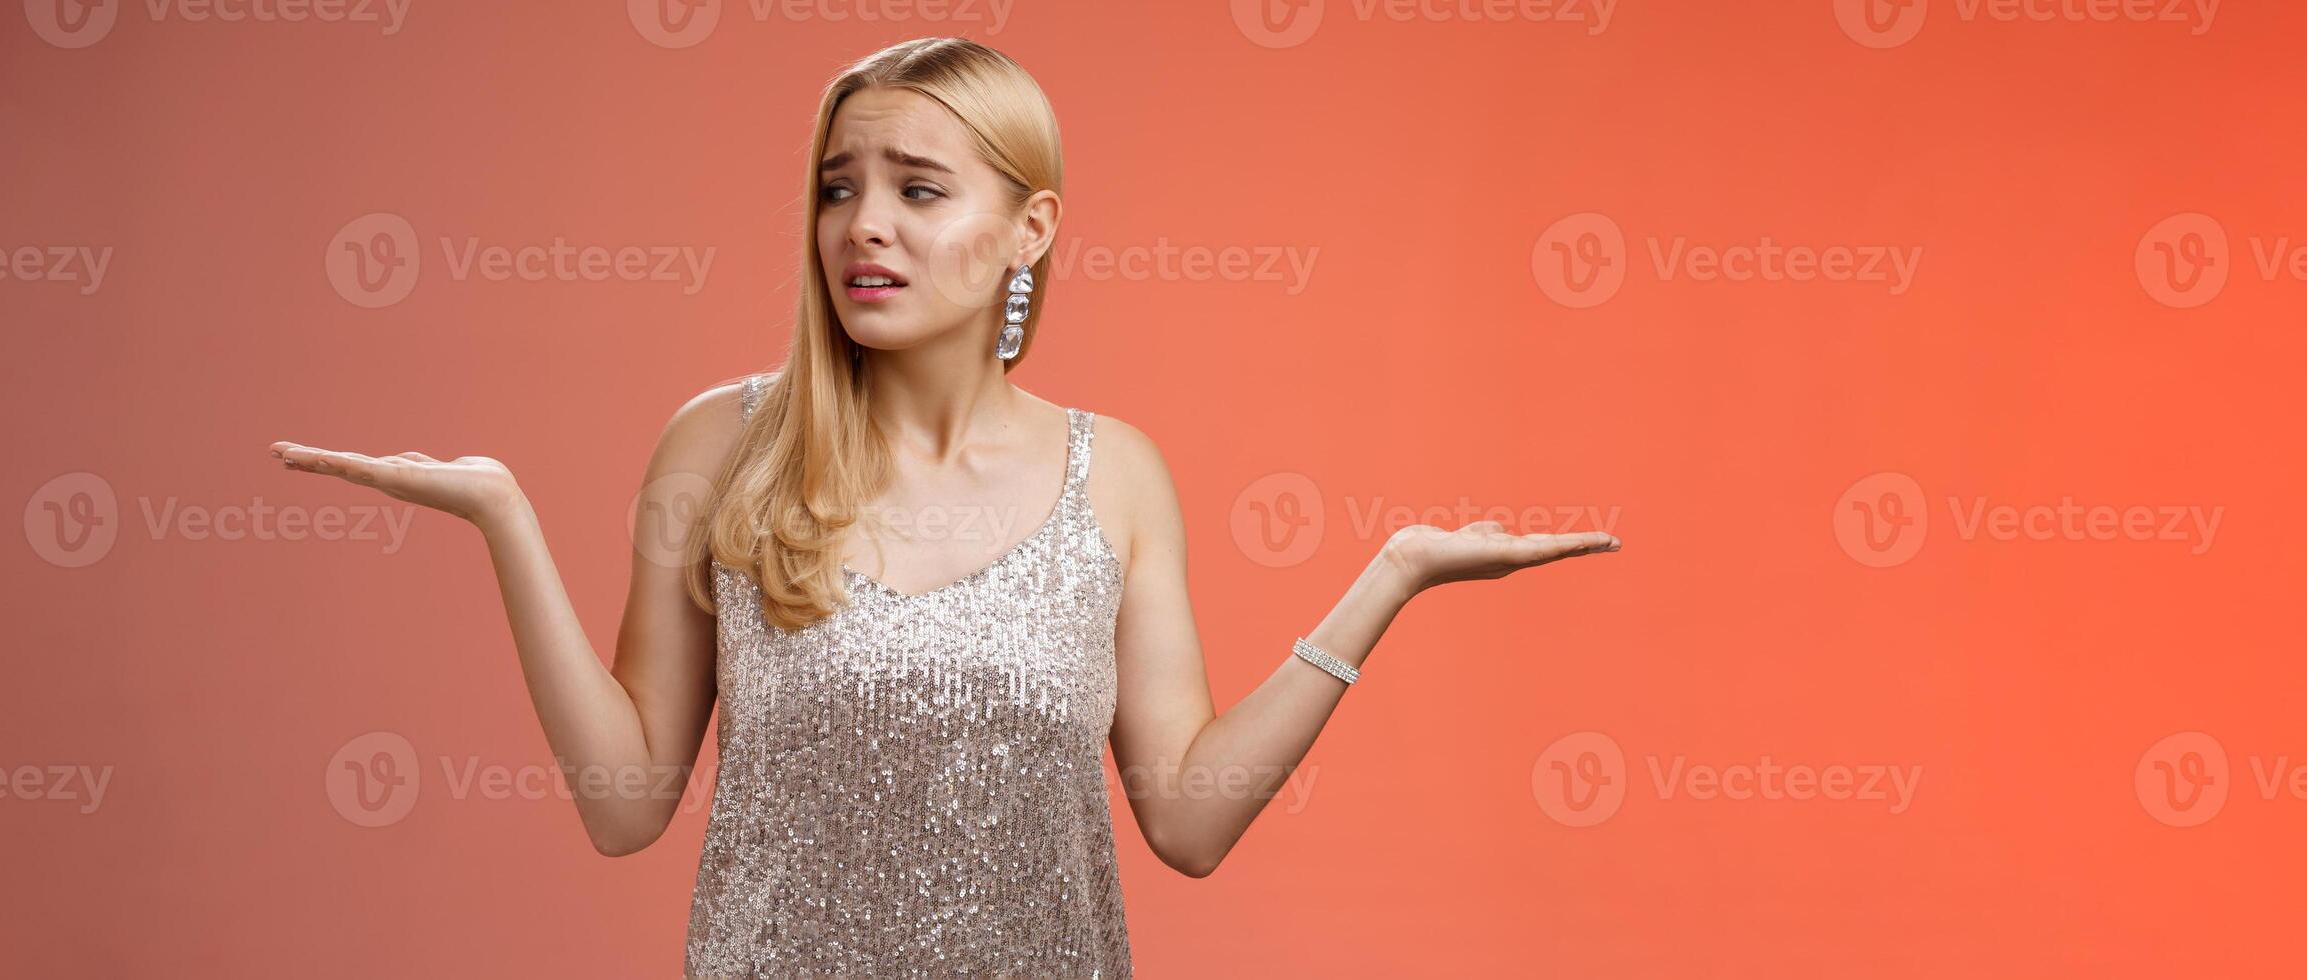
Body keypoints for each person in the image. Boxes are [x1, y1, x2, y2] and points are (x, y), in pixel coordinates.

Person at [272, 35, 1620, 978]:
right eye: (838, 187)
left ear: (1028, 230)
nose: (864, 225)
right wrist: (505, 519)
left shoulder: (1117, 473)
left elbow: (1189, 825)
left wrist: (1386, 577)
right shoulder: (720, 444)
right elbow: (624, 807)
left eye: (919, 191)